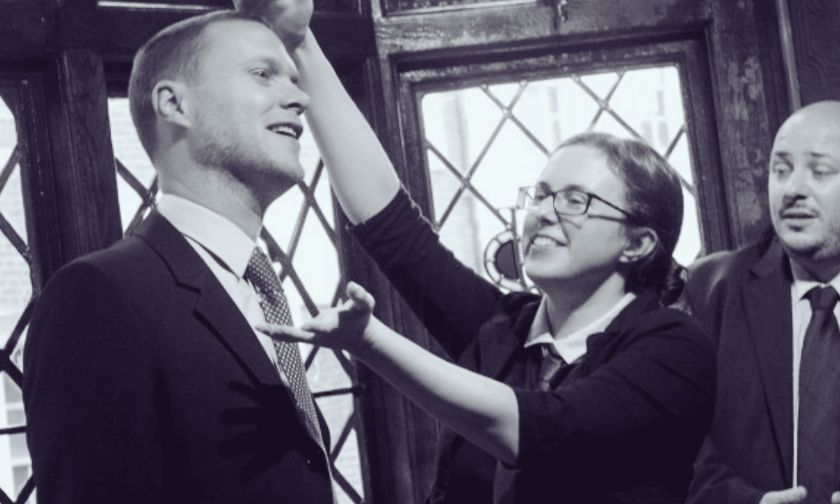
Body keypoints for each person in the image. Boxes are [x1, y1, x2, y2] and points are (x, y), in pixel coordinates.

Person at [242, 1, 716, 502]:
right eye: (541, 195)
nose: (543, 213)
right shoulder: (503, 328)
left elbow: (543, 430)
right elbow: (393, 230)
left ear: (638, 243)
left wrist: (370, 341)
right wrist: (299, 40)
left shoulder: (675, 348)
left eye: (575, 200)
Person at [22, 9, 335, 503]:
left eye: (295, 81)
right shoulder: (97, 297)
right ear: (174, 103)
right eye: (263, 74)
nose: (300, 98)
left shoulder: (260, 287)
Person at [686, 100, 840, 504]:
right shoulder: (711, 289)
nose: (792, 190)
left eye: (820, 171)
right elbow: (676, 440)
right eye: (780, 170)